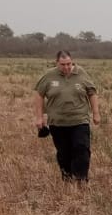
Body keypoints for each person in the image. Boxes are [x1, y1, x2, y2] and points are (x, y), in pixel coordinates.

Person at [34, 50, 100, 182]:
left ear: (72, 61)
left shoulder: (81, 73)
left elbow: (92, 92)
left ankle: (80, 179)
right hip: (57, 122)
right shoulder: (49, 76)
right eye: (63, 64)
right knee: (64, 153)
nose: (66, 67)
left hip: (80, 120)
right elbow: (39, 94)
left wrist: (96, 113)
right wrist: (39, 117)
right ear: (57, 63)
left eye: (69, 64)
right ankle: (67, 177)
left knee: (81, 148)